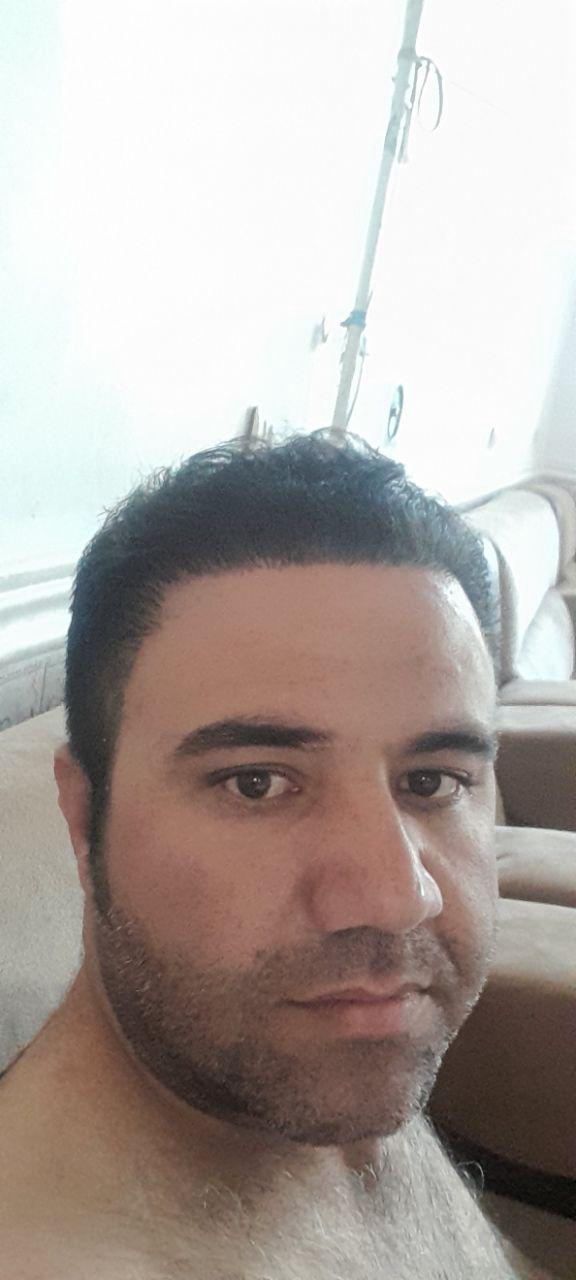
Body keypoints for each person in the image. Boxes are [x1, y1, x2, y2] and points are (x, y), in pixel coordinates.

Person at [0, 429, 548, 1278]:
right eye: (256, 784)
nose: (396, 897)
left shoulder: (294, 1055)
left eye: (432, 781)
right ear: (83, 818)